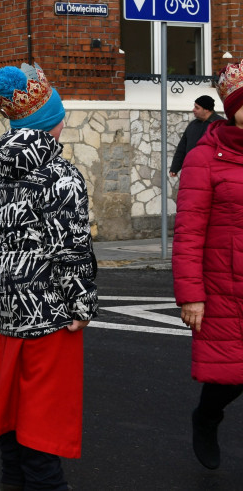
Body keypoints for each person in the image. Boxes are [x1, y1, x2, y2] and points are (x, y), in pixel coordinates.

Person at [0, 63, 98, 491]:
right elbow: (71, 249)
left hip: (10, 314)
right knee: (42, 434)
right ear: (51, 120)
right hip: (49, 315)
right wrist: (82, 303)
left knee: (12, 427)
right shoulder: (59, 176)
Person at [173, 58, 243, 471]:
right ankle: (207, 417)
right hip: (223, 284)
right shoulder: (205, 158)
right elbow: (189, 232)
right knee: (229, 373)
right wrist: (191, 296)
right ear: (232, 109)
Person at [170, 95, 222, 177]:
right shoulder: (193, 125)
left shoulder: (220, 125)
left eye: (197, 108)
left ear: (206, 109)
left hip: (211, 173)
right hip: (191, 171)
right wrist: (175, 168)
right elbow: (182, 148)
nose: (193, 110)